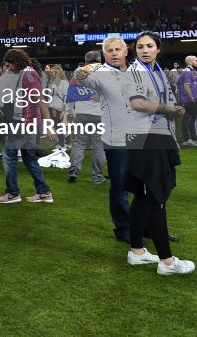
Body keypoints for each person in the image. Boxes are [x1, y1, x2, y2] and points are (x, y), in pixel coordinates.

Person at [122, 32, 194, 275]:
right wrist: (166, 108)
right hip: (146, 138)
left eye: (149, 46)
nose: (144, 50)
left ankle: (137, 251)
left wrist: (172, 109)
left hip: (154, 136)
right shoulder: (136, 71)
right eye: (140, 46)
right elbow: (137, 103)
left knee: (143, 196)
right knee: (155, 195)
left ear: (158, 49)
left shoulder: (156, 71)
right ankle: (167, 261)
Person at [76, 37, 132, 242]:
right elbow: (81, 78)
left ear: (126, 51)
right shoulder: (100, 74)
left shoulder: (138, 72)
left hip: (142, 137)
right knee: (120, 184)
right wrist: (81, 71)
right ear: (104, 54)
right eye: (109, 50)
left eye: (118, 49)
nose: (115, 53)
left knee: (145, 185)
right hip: (116, 139)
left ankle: (147, 226)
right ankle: (123, 228)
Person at [0, 49, 53, 204]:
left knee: (8, 155)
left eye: (9, 65)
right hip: (27, 121)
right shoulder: (26, 74)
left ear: (16, 62)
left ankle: (13, 193)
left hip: (24, 122)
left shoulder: (28, 75)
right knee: (29, 158)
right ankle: (44, 192)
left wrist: (48, 124)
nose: (7, 69)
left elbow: (41, 100)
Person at [67, 51, 106, 184]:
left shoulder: (78, 71)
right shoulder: (106, 71)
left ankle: (74, 169)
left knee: (79, 142)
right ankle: (97, 177)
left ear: (86, 60)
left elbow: (70, 93)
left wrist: (69, 112)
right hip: (100, 114)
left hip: (81, 112)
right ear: (99, 59)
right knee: (99, 146)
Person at [176, 55, 197, 147]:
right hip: (190, 100)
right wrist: (192, 99)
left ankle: (194, 138)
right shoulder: (187, 72)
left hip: (193, 100)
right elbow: (185, 87)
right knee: (187, 121)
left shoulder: (190, 72)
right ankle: (187, 139)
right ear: (191, 62)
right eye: (196, 60)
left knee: (191, 121)